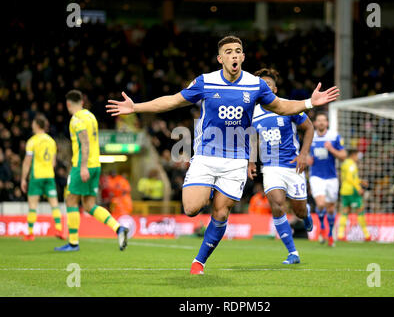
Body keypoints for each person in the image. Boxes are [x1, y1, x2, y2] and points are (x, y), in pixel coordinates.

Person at [106, 35, 339, 274]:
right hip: (207, 155)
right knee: (191, 209)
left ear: (243, 57)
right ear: (220, 58)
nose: (234, 55)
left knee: (221, 211)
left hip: (236, 161)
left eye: (238, 51)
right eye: (228, 52)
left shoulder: (254, 84)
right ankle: (207, 191)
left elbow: (281, 106)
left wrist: (309, 102)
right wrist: (136, 107)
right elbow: (173, 101)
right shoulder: (205, 82)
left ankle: (199, 261)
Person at [248, 68, 314, 264]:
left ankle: (306, 214)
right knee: (277, 205)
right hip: (271, 167)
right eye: (261, 85)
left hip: (293, 166)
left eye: (268, 84)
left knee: (299, 211)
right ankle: (293, 252)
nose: (264, 87)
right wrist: (251, 161)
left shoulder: (288, 106)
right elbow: (252, 138)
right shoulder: (252, 112)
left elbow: (309, 127)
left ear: (274, 89)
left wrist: (303, 154)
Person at [55, 90, 129, 252]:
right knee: (89, 205)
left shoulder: (76, 120)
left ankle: (73, 243)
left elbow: (85, 143)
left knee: (71, 200)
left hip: (83, 165)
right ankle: (119, 228)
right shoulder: (90, 116)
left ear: (68, 104)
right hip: (95, 164)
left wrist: (82, 167)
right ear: (82, 102)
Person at [20, 114, 64, 240]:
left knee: (33, 205)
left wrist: (23, 178)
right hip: (49, 175)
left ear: (37, 125)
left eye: (33, 123)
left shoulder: (32, 141)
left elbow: (27, 162)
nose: (31, 125)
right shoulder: (51, 141)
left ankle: (30, 233)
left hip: (37, 176)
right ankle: (59, 229)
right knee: (54, 204)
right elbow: (54, 162)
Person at [308, 112, 347, 247]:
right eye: (319, 120)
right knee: (320, 203)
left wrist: (331, 149)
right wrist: (307, 159)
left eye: (323, 120)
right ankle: (322, 227)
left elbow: (343, 155)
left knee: (330, 208)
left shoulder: (334, 136)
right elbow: (306, 155)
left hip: (331, 177)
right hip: (316, 176)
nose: (321, 122)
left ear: (327, 123)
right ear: (315, 123)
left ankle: (330, 233)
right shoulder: (310, 136)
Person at [337, 149, 371, 242]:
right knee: (360, 210)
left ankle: (340, 234)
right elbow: (349, 178)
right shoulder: (351, 164)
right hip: (352, 191)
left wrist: (360, 181)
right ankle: (367, 235)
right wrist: (358, 187)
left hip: (344, 190)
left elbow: (350, 177)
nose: (357, 158)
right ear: (353, 155)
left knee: (345, 212)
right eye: (357, 155)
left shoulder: (345, 163)